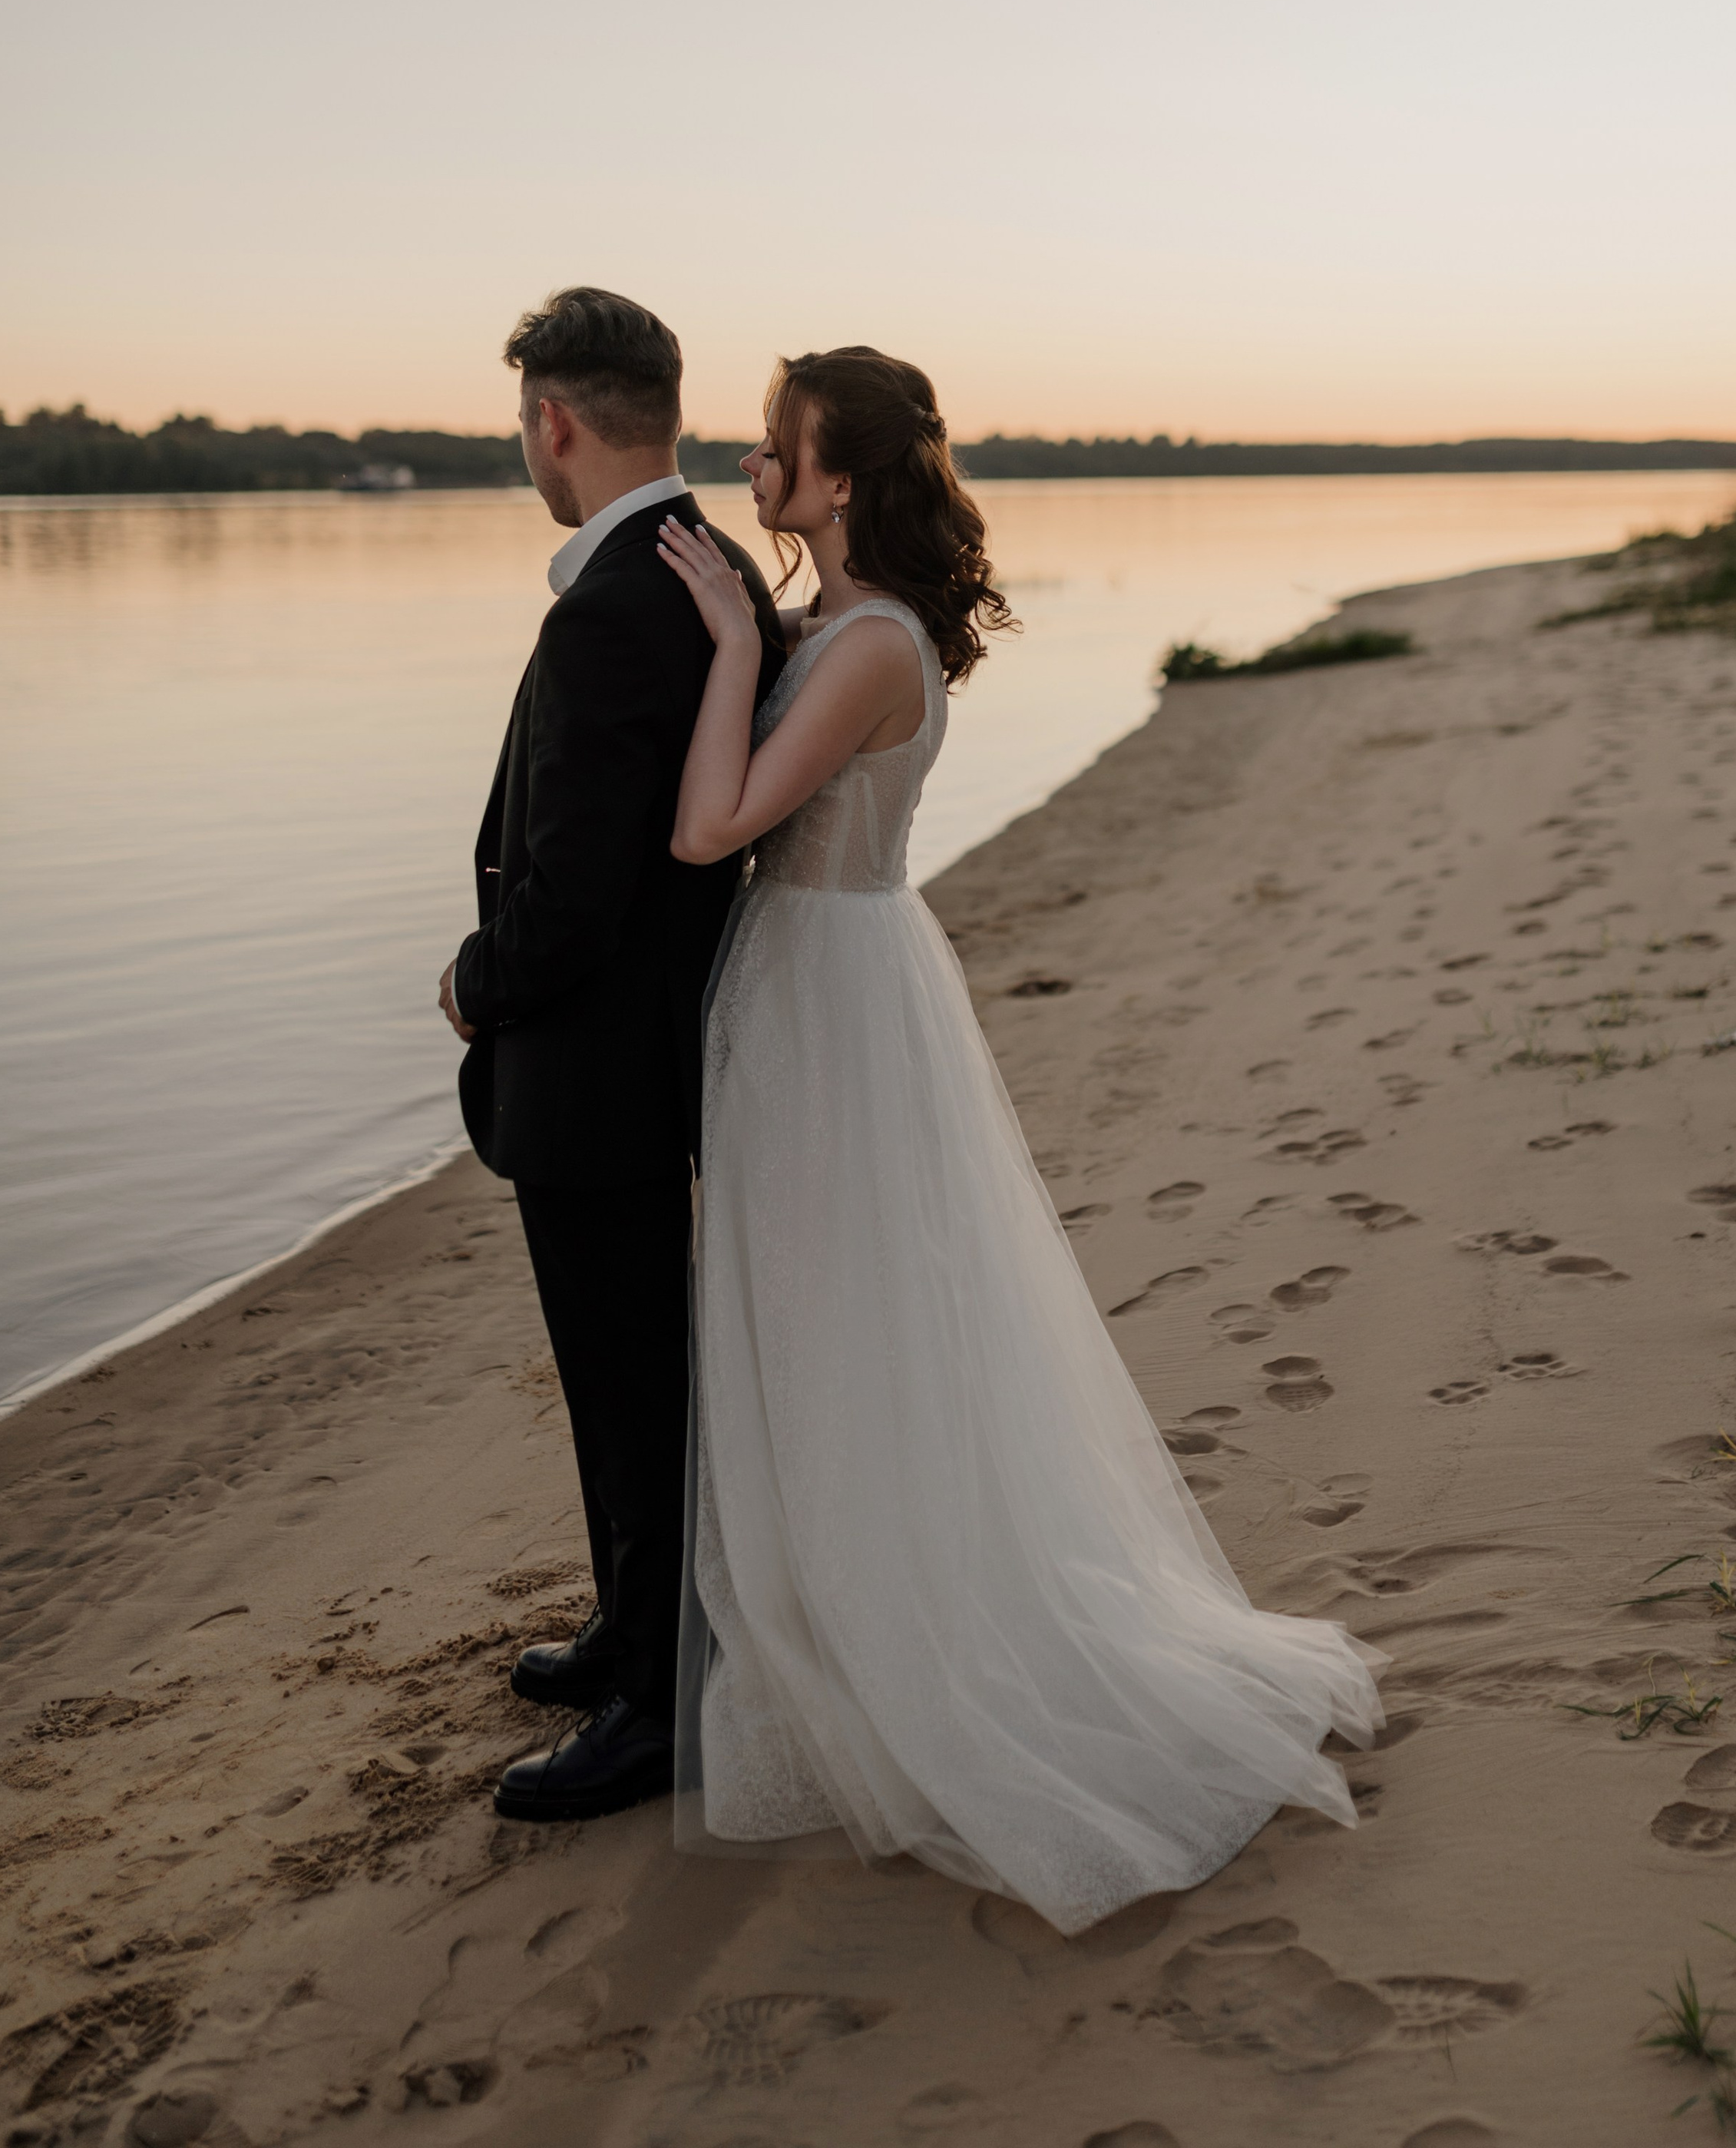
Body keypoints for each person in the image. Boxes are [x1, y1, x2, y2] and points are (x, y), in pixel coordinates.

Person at [655, 345, 1385, 1937]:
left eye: (772, 444)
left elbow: (711, 825)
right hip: (817, 982)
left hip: (831, 994)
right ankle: (831, 1632)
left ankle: (907, 1649)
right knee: (817, 1316)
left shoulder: (863, 644)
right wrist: (746, 626)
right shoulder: (837, 627)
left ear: (834, 479)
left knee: (848, 1321)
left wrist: (727, 643)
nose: (748, 459)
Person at [438, 286, 780, 1825]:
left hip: (597, 1071)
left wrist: (473, 981)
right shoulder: (697, 571)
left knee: (628, 1381)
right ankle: (625, 1632)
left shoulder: (608, 606)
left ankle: (654, 1701)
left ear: (554, 422)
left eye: (527, 421)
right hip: (657, 1052)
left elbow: (573, 887)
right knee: (623, 1374)